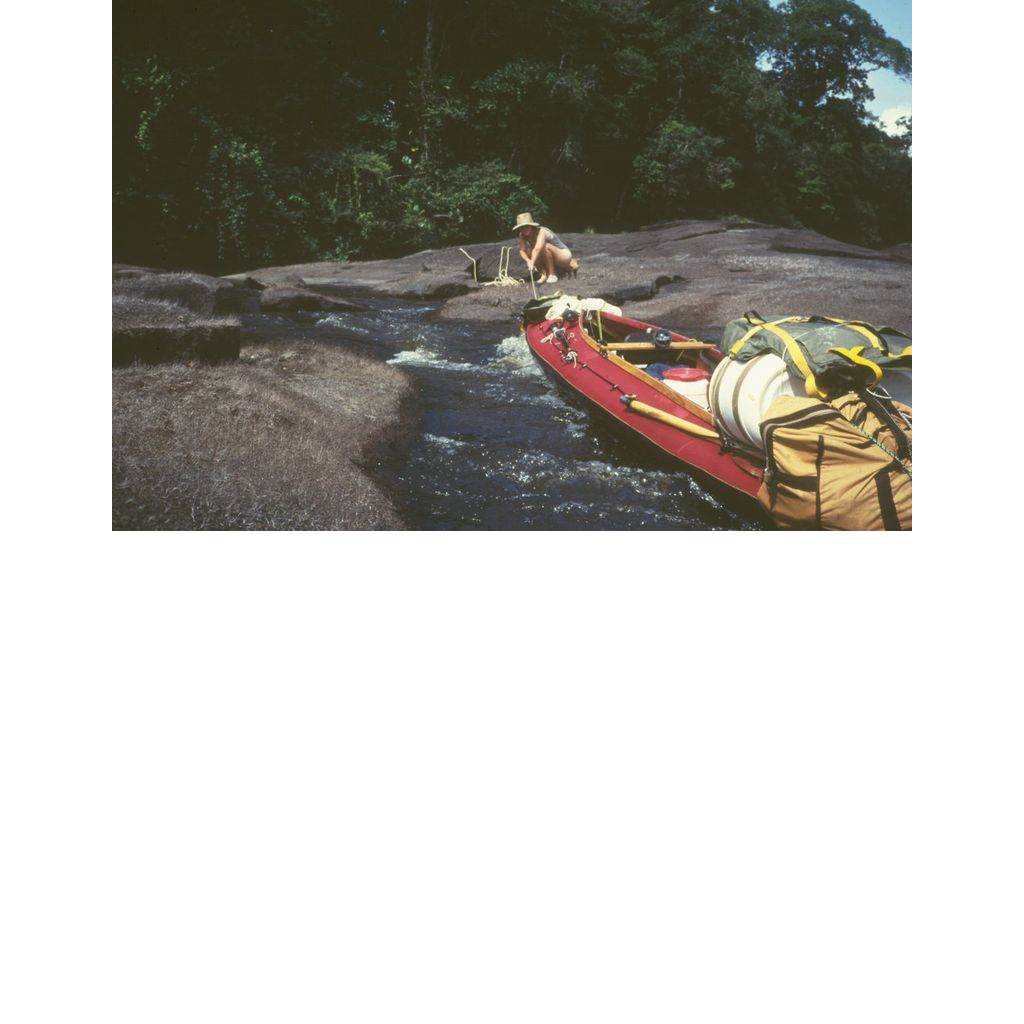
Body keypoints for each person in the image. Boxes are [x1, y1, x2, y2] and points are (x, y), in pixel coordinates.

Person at [514, 212, 573, 284]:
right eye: (522, 227)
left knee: (544, 246)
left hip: (563, 256)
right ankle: (544, 274)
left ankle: (552, 274)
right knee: (529, 251)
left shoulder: (541, 231)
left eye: (527, 227)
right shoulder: (522, 235)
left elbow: (537, 249)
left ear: (531, 226)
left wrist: (532, 262)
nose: (525, 229)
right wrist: (528, 261)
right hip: (547, 255)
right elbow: (522, 250)